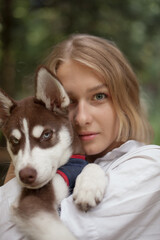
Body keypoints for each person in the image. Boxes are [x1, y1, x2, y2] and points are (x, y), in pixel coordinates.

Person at [0, 33, 160, 240]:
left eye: (99, 96)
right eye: (70, 100)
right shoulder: (58, 164)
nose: (82, 118)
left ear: (124, 100)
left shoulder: (150, 166)